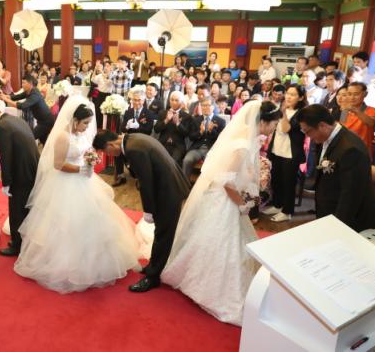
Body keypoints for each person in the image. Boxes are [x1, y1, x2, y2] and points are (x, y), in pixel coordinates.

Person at [162, 101, 282, 325]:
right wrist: (243, 204)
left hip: (229, 196)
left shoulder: (248, 139)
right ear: (264, 122)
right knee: (221, 240)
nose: (275, 127)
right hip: (225, 200)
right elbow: (227, 182)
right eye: (274, 123)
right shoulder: (242, 145)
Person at [14, 97, 140, 293]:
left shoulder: (81, 134)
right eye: (85, 123)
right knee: (65, 223)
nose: (87, 127)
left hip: (85, 180)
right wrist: (80, 170)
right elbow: (58, 165)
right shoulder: (63, 137)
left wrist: (91, 160)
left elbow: (85, 153)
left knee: (94, 217)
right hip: (66, 183)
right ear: (75, 120)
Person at [93, 130, 191, 293]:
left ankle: (153, 277)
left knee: (163, 235)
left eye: (105, 151)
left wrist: (148, 210)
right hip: (167, 184)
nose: (107, 155)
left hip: (168, 190)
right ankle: (153, 266)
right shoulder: (131, 139)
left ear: (110, 145)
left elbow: (146, 181)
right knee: (161, 233)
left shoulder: (134, 149)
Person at [298, 104, 375, 231]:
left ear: (322, 125)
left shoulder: (350, 149)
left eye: (307, 131)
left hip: (348, 220)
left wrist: (338, 227)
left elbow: (350, 195)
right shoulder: (325, 139)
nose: (308, 136)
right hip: (328, 210)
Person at [0, 104, 39, 256]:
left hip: (20, 173)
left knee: (16, 209)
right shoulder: (15, 119)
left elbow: (5, 157)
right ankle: (27, 239)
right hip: (32, 168)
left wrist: (6, 182)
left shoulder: (0, 127)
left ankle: (17, 246)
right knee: (26, 207)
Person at [263, 85, 307, 222]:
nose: (288, 96)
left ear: (301, 97)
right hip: (277, 149)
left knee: (288, 183)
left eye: (293, 95)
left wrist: (282, 113)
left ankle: (287, 211)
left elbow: (286, 128)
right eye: (288, 93)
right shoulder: (283, 109)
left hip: (290, 153)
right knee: (276, 180)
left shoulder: (302, 113)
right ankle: (278, 205)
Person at [114, 89, 155, 186]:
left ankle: (139, 177)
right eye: (134, 100)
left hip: (142, 140)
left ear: (143, 101)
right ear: (132, 100)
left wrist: (138, 126)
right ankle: (120, 176)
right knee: (117, 149)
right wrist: (127, 126)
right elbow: (122, 128)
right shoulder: (128, 112)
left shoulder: (149, 113)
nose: (136, 102)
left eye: (139, 100)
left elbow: (148, 131)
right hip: (129, 139)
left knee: (136, 152)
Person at [1, 75, 55, 144]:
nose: (22, 85)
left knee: (30, 138)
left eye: (24, 83)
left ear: (30, 83)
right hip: (41, 121)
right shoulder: (28, 91)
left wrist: (6, 100)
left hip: (46, 121)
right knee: (44, 141)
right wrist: (5, 96)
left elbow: (22, 106)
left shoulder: (35, 94)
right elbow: (16, 97)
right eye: (22, 83)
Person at [182, 98, 226, 180]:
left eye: (208, 105)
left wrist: (211, 131)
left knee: (209, 163)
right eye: (203, 105)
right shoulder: (195, 120)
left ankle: (206, 185)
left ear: (213, 107)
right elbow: (191, 137)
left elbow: (221, 140)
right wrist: (200, 132)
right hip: (197, 149)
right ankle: (183, 184)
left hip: (212, 149)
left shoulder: (221, 121)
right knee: (187, 160)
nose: (205, 108)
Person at [154, 91, 194, 166]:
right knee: (158, 161)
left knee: (172, 162)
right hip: (163, 143)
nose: (173, 102)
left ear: (181, 102)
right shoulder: (162, 113)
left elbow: (186, 134)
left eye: (176, 100)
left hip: (178, 146)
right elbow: (156, 129)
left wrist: (178, 123)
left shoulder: (186, 116)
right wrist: (166, 120)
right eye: (172, 100)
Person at [342, 82, 375, 158]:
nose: (352, 97)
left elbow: (371, 123)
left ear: (365, 94)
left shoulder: (372, 110)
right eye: (349, 94)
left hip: (363, 152)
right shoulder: (344, 111)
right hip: (346, 150)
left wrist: (354, 110)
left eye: (356, 94)